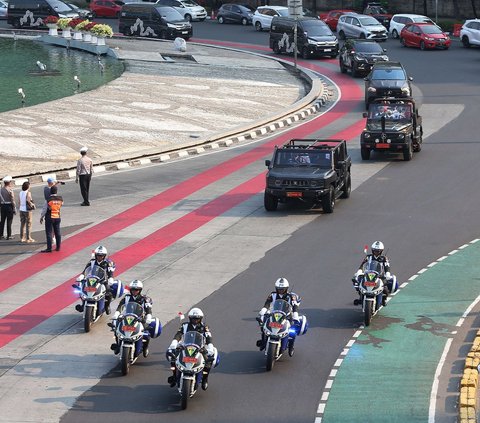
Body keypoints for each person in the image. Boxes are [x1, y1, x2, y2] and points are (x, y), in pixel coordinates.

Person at [166, 307, 217, 391]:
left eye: (197, 319)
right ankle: (174, 376)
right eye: (193, 319)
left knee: (208, 361)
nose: (195, 321)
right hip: (185, 346)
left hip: (200, 347)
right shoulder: (184, 325)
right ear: (190, 318)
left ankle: (204, 379)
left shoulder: (204, 327)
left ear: (200, 319)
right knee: (173, 358)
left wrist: (210, 346)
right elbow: (179, 334)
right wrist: (174, 342)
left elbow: (208, 337)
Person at [109, 280, 153, 356]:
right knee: (117, 329)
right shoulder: (126, 298)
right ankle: (118, 346)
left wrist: (148, 317)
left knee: (147, 333)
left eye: (136, 290)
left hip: (140, 319)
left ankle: (145, 348)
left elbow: (148, 310)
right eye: (133, 289)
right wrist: (117, 314)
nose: (134, 291)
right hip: (127, 318)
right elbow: (120, 306)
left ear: (140, 290)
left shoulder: (145, 299)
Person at [256, 277, 300, 351]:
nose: (281, 290)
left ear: (286, 288)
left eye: (283, 289)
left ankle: (291, 346)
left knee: (293, 328)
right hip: (273, 313)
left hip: (287, 315)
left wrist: (295, 314)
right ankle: (264, 341)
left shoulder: (291, 296)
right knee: (264, 324)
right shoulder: (272, 295)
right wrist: (263, 310)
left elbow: (295, 305)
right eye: (279, 289)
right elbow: (267, 303)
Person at [75, 245, 116, 314]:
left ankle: (107, 306)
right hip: (92, 279)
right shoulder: (92, 262)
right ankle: (83, 304)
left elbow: (110, 272)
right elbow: (85, 270)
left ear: (104, 256)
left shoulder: (108, 263)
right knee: (81, 288)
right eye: (98, 255)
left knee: (109, 291)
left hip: (103, 280)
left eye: (101, 255)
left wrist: (111, 278)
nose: (99, 257)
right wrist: (81, 276)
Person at [353, 241, 392, 305]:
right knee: (359, 283)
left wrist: (387, 273)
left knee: (385, 288)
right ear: (372, 250)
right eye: (374, 250)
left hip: (380, 276)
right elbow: (363, 264)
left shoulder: (384, 258)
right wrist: (359, 271)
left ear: (381, 251)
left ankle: (384, 299)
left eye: (378, 251)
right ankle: (361, 298)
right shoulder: (368, 257)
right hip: (368, 274)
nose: (376, 252)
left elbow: (387, 266)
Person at [40, 186, 63, 252]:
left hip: (49, 217)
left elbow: (44, 209)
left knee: (49, 233)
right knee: (57, 232)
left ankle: (49, 248)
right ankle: (58, 247)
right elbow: (60, 206)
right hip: (57, 216)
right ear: (56, 191)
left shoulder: (48, 199)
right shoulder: (60, 199)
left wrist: (41, 217)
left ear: (50, 191)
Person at [0, 175, 17, 240]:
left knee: (2, 221)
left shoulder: (1, 190)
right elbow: (12, 199)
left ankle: (1, 235)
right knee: (9, 221)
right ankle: (9, 235)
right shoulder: (10, 190)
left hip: (2, 206)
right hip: (9, 206)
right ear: (9, 182)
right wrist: (14, 207)